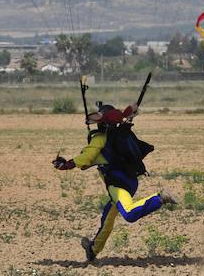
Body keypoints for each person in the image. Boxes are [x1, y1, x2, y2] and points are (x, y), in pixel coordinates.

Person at [53, 102, 177, 262]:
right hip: (132, 182)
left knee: (129, 213)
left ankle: (159, 198)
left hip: (117, 185)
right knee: (109, 215)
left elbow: (86, 159)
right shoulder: (122, 135)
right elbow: (89, 161)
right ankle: (92, 249)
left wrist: (65, 164)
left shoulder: (100, 139)